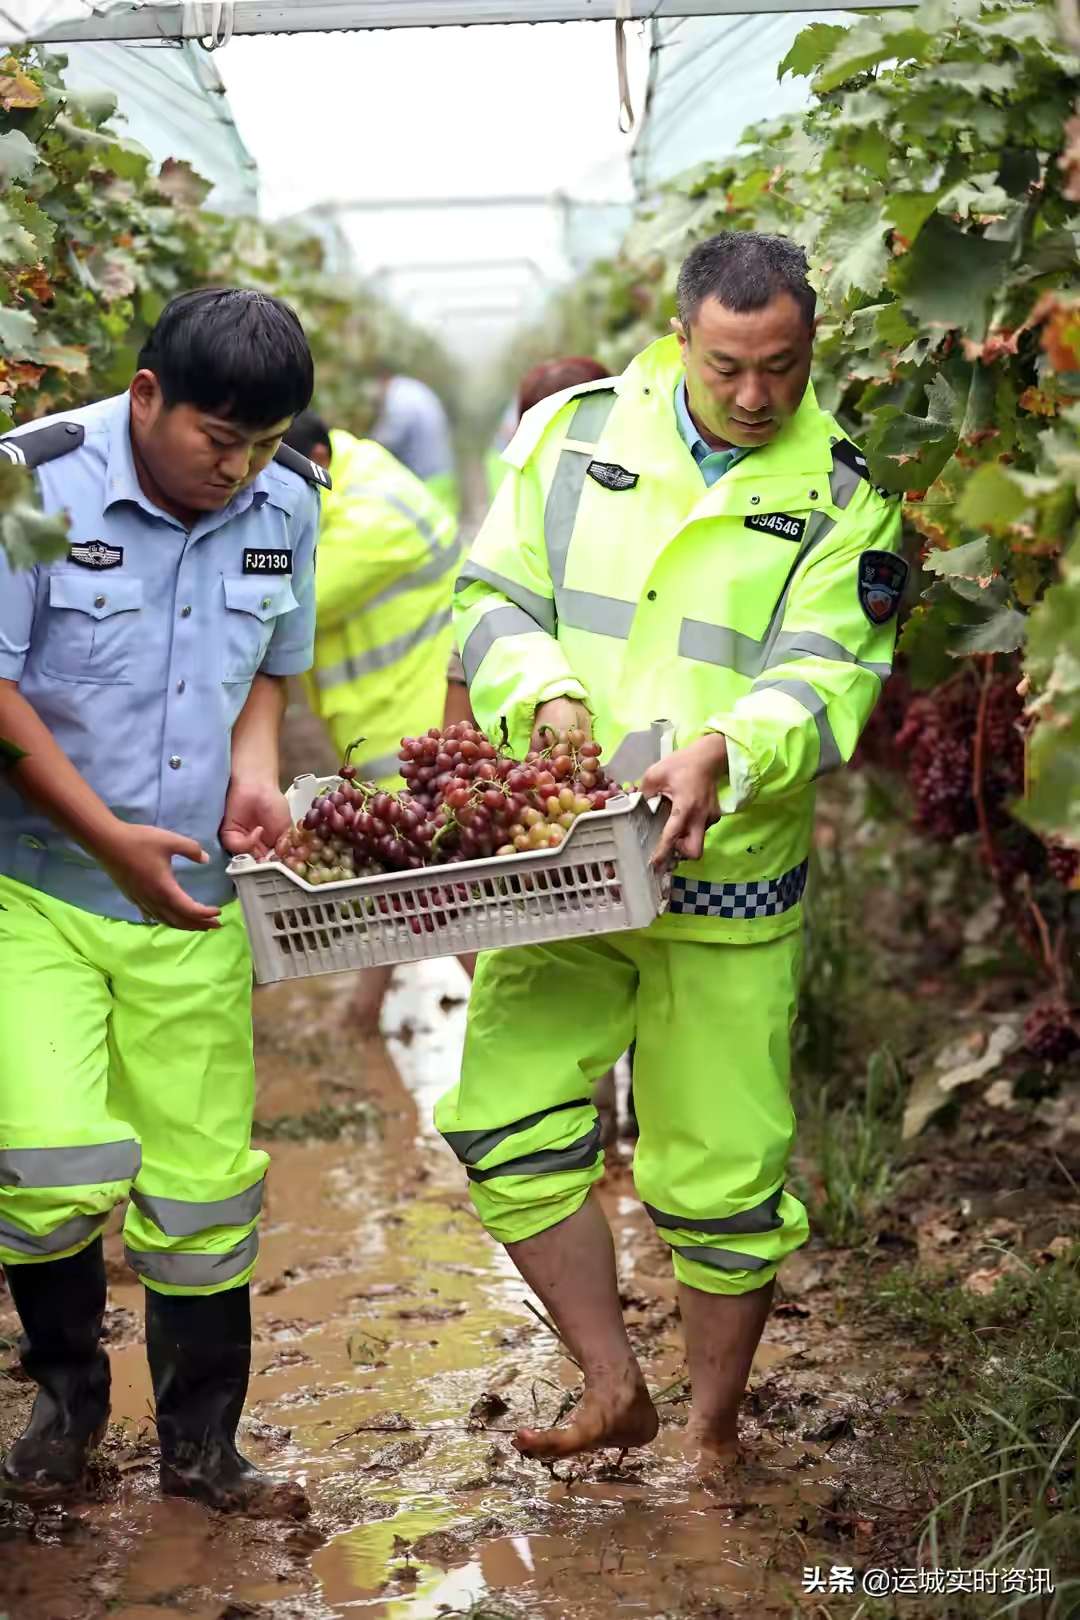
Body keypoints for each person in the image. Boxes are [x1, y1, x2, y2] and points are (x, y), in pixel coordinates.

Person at [436, 233, 907, 1468]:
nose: (757, 397)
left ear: (811, 349)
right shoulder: (572, 437)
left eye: (784, 369)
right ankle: (611, 1385)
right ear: (680, 333)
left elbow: (830, 673)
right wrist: (541, 695)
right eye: (729, 367)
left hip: (728, 883)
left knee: (722, 1177)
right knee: (506, 1122)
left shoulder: (850, 491)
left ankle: (709, 1436)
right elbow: (487, 599)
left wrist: (723, 755)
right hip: (569, 866)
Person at [0, 288, 326, 1515]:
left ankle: (203, 1450)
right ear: (147, 398)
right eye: (215, 441)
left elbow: (270, 675)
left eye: (261, 444)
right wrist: (107, 840)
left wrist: (254, 777)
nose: (237, 472)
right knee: (45, 1161)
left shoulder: (285, 503)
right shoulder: (34, 490)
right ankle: (67, 1400)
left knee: (199, 1192)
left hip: (189, 902)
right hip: (36, 889)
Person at [282, 410, 461, 1033]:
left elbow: (287, 603)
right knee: (404, 881)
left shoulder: (379, 515)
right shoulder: (343, 493)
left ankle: (549, 1060)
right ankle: (362, 1019)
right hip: (384, 735)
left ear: (317, 464)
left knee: (448, 903)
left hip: (415, 741)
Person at [369, 369, 457, 517]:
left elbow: (391, 437)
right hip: (442, 473)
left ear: (381, 381)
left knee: (428, 530)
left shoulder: (399, 398)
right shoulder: (413, 390)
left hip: (426, 480)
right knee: (445, 528)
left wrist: (367, 447)